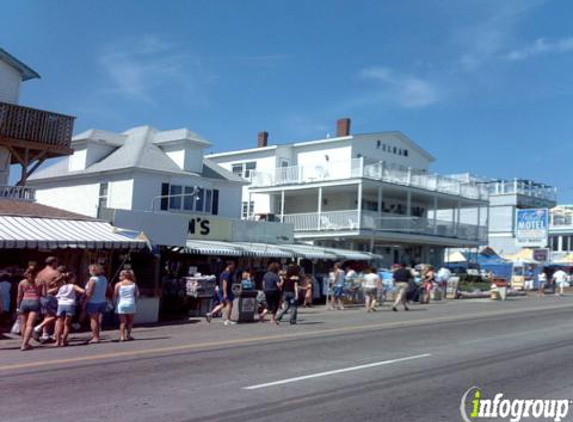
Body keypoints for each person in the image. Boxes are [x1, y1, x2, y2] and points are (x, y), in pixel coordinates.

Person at [34, 257, 63, 342]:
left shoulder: (40, 273)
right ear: (53, 262)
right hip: (52, 296)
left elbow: (37, 285)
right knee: (57, 316)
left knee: (47, 315)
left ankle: (45, 334)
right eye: (56, 262)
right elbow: (61, 286)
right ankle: (39, 328)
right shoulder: (56, 273)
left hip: (43, 296)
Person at [54, 272, 85, 347]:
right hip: (70, 304)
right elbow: (83, 291)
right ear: (71, 279)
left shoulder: (61, 286)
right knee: (67, 324)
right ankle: (64, 340)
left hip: (61, 304)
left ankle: (57, 341)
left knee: (59, 322)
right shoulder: (73, 286)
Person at [16, 265, 43, 351]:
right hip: (35, 302)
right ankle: (24, 344)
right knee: (30, 325)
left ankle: (25, 342)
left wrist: (17, 307)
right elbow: (44, 294)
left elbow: (19, 296)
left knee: (23, 324)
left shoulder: (22, 282)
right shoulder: (40, 281)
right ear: (37, 273)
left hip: (24, 302)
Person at [84, 264, 109, 343]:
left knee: (93, 320)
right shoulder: (104, 279)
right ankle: (97, 335)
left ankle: (95, 337)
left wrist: (84, 302)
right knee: (98, 319)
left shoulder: (93, 280)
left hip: (93, 301)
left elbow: (89, 293)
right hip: (102, 300)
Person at [113, 270, 140, 342]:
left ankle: (122, 336)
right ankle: (128, 335)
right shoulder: (134, 284)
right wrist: (135, 301)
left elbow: (115, 295)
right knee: (130, 321)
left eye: (120, 275)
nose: (119, 277)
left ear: (124, 276)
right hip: (131, 303)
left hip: (121, 304)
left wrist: (115, 302)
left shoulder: (118, 284)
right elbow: (137, 294)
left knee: (122, 322)